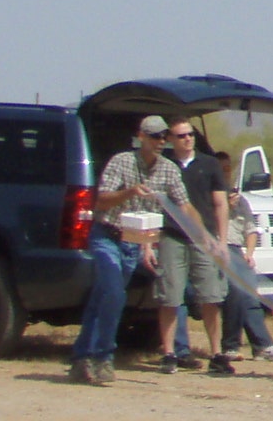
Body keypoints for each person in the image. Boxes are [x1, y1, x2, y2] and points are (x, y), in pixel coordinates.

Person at [68, 116, 197, 386]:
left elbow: (184, 205)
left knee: (102, 298)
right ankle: (103, 356)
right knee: (114, 293)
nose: (160, 142)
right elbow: (101, 200)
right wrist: (130, 192)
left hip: (131, 243)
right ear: (141, 137)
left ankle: (81, 358)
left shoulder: (169, 170)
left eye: (164, 137)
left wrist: (205, 235)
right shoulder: (121, 162)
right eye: (154, 137)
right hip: (107, 235)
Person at [157, 120, 230, 374]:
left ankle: (217, 353)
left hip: (204, 238)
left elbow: (220, 204)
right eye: (181, 136)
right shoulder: (163, 164)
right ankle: (169, 353)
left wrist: (222, 241)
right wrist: (148, 243)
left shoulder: (209, 164)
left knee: (210, 297)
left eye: (191, 134)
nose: (188, 139)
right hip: (171, 235)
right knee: (170, 297)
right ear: (171, 140)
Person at [216, 151, 273, 363]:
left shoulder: (241, 202)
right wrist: (222, 206)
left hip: (237, 250)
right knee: (236, 290)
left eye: (227, 168)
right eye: (220, 169)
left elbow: (251, 231)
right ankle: (232, 344)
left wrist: (249, 254)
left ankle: (262, 345)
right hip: (216, 247)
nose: (224, 173)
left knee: (249, 291)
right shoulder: (208, 197)